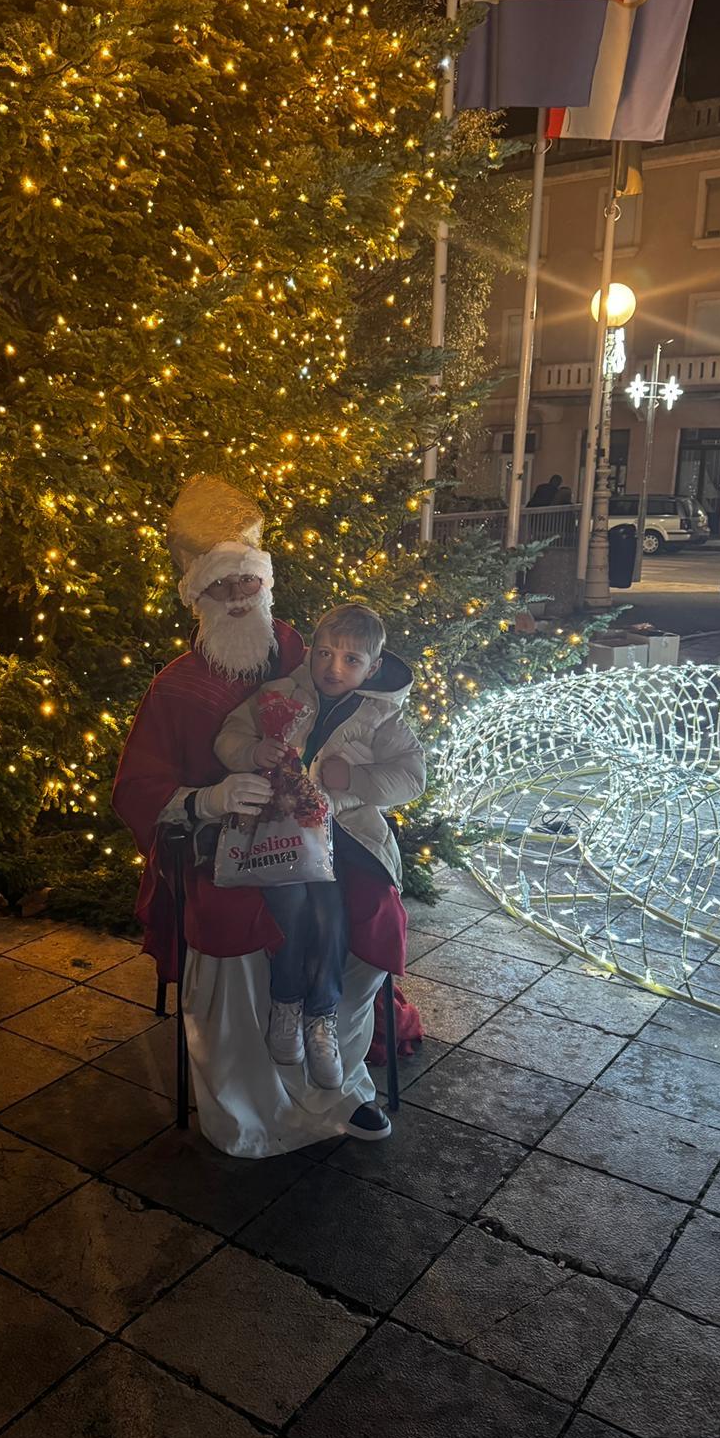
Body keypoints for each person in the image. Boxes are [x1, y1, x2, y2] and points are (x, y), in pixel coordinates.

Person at [112, 476, 420, 1158]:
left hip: (324, 828)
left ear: (265, 585)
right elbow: (137, 787)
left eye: (247, 583)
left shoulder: (298, 651)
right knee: (242, 925)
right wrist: (211, 799)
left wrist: (345, 788)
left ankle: (335, 1081)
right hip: (223, 839)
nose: (238, 597)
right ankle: (260, 1099)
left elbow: (371, 730)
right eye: (222, 586)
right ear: (197, 592)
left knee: (367, 907)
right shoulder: (176, 686)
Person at [214, 604, 424, 1092]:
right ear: (310, 652)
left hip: (342, 833)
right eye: (325, 654)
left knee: (329, 912)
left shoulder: (381, 717)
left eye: (351, 660)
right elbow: (233, 732)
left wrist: (355, 778)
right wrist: (252, 752)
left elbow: (412, 776)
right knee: (290, 901)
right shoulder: (280, 694)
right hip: (276, 829)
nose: (334, 668)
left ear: (372, 669)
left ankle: (321, 1017)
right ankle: (286, 1002)